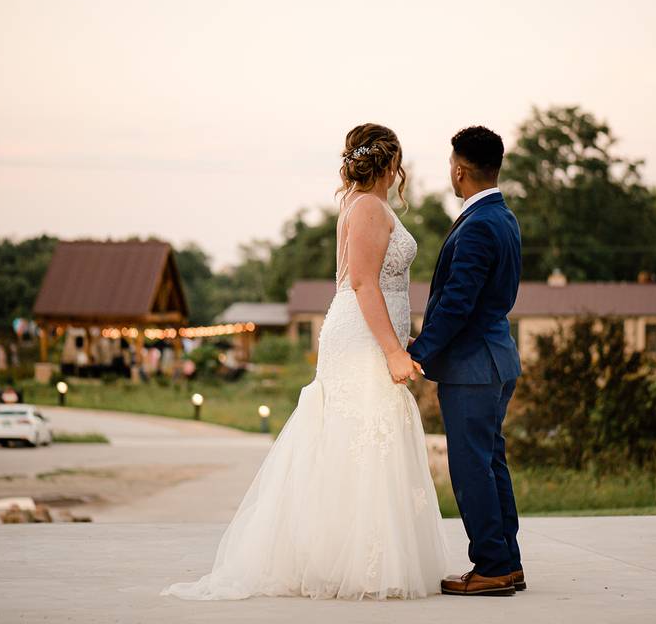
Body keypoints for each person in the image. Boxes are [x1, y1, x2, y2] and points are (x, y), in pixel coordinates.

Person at [161, 123, 448, 601]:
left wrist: (401, 336)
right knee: (362, 433)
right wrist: (393, 350)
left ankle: (354, 558)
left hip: (365, 330)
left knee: (357, 438)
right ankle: (362, 565)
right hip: (360, 337)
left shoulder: (360, 205)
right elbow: (364, 284)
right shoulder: (371, 208)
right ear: (393, 162)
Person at [408, 126, 524, 597]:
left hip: (474, 367)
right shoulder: (504, 216)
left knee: (471, 466)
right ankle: (507, 563)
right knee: (491, 462)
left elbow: (458, 302)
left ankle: (492, 565)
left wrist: (417, 352)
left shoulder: (477, 225)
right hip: (497, 359)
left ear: (459, 170)